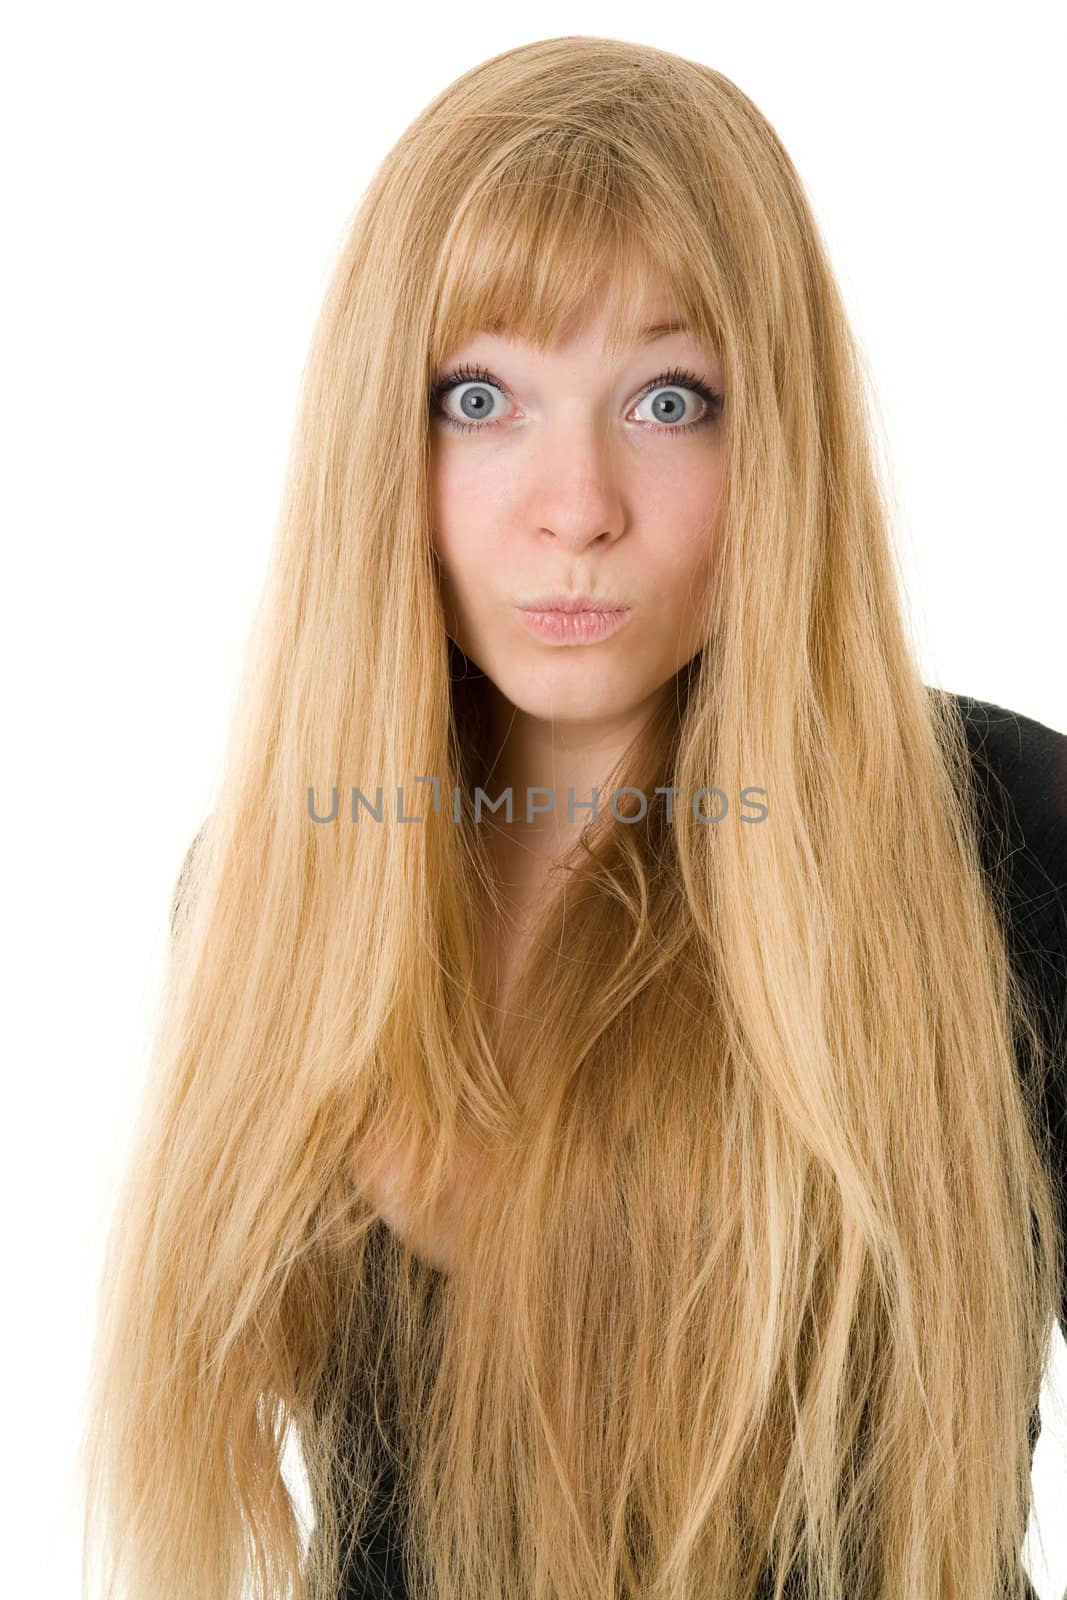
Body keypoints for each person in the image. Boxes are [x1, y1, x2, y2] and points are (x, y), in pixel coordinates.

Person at [80, 35, 1066, 1600]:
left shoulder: (1002, 841)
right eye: (481, 397)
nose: (577, 503)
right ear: (378, 444)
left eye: (670, 399)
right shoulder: (262, 889)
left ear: (779, 440)